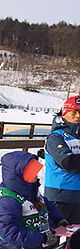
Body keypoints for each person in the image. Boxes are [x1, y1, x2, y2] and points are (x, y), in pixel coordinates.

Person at [44, 95, 80, 225]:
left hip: (78, 197)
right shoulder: (55, 137)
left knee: (75, 242)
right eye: (73, 112)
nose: (77, 116)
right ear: (64, 113)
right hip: (60, 196)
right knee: (53, 239)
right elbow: (68, 162)